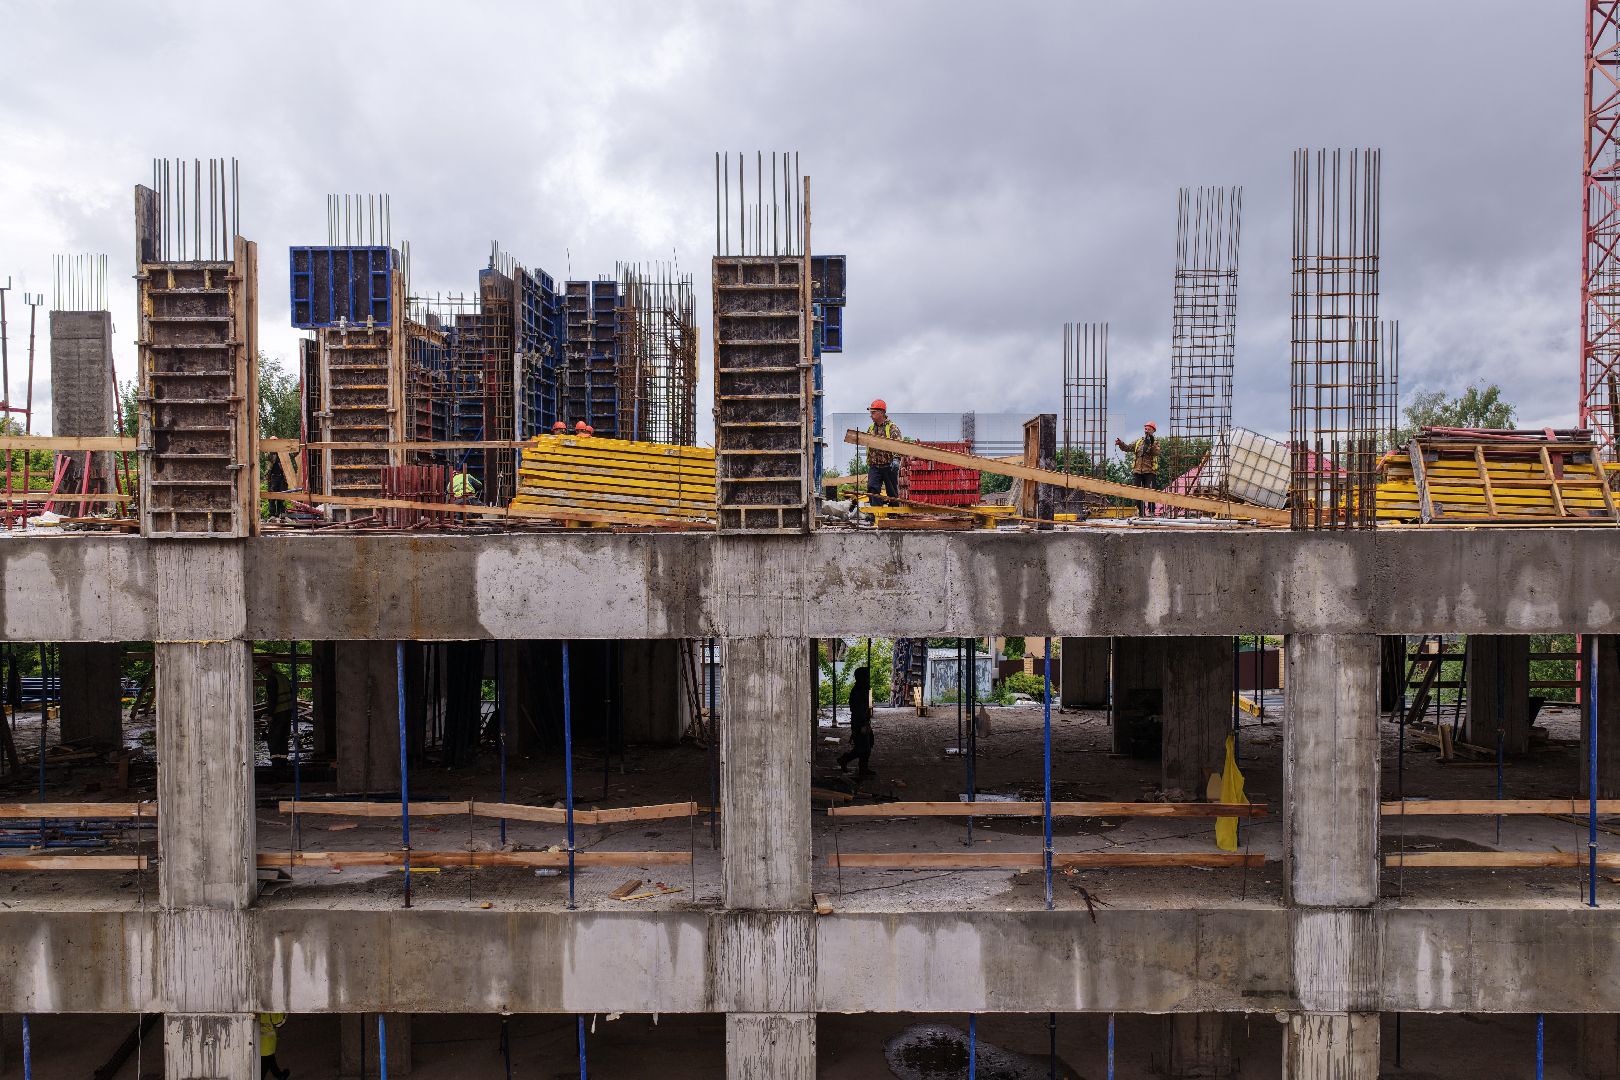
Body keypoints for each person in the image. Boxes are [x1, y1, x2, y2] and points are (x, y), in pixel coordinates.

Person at [837, 666, 875, 778]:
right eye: (866, 677)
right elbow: (857, 709)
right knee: (862, 747)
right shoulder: (858, 690)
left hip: (862, 721)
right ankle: (845, 760)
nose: (868, 679)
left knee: (867, 744)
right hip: (859, 721)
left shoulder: (861, 689)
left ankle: (863, 768)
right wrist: (862, 724)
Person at [1116, 421, 1160, 515]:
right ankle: (1141, 512)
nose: (1146, 430)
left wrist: (1151, 443)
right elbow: (1127, 448)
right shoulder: (1139, 442)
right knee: (1137, 493)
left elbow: (1156, 453)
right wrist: (1121, 443)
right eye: (1146, 429)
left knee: (1150, 492)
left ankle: (1151, 512)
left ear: (1153, 431)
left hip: (1150, 471)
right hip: (1138, 471)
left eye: (1149, 429)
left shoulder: (1155, 442)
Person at [864, 399, 902, 507]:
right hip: (875, 466)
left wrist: (896, 459)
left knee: (892, 493)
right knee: (872, 489)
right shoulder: (871, 428)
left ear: (881, 412)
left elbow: (898, 444)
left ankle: (894, 513)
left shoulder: (892, 428)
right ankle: (876, 513)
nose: (871, 415)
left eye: (873, 412)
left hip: (889, 466)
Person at [258, 659, 294, 763]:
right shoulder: (283, 677)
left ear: (266, 668)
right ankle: (283, 759)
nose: (262, 673)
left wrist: (270, 715)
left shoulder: (271, 679)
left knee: (273, 738)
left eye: (261, 671)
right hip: (287, 711)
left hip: (278, 712)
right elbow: (291, 693)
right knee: (284, 736)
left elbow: (272, 699)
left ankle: (276, 761)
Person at [258, 1012, 290, 1079]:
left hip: (257, 1040)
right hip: (267, 1042)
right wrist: (284, 1013)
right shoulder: (270, 1008)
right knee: (266, 1064)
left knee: (270, 1060)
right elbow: (278, 1022)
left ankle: (279, 1075)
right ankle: (280, 1076)